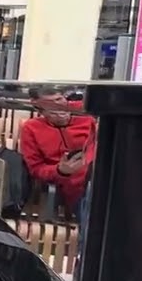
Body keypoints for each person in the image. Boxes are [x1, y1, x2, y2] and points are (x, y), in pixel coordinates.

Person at [20, 85, 96, 214]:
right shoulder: (31, 128)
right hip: (75, 188)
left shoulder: (88, 116)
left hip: (100, 177)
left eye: (60, 102)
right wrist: (60, 171)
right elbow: (36, 169)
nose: (61, 113)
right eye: (52, 109)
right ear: (41, 111)